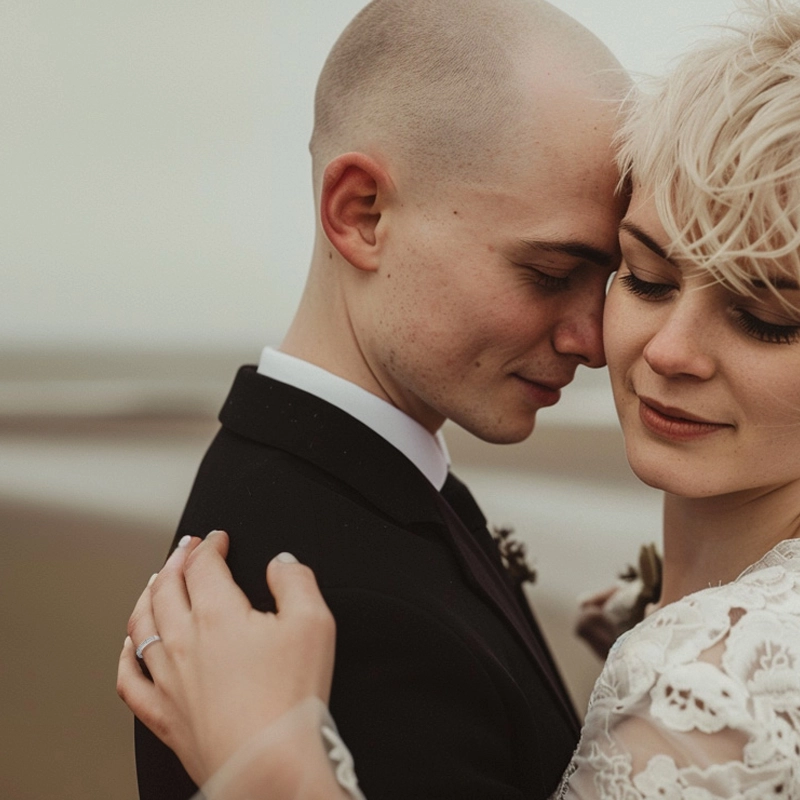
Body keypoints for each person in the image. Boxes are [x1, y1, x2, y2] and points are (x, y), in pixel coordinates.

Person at [119, 1, 800, 797]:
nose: (598, 339)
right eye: (554, 273)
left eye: (763, 319)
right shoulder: (313, 600)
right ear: (361, 214)